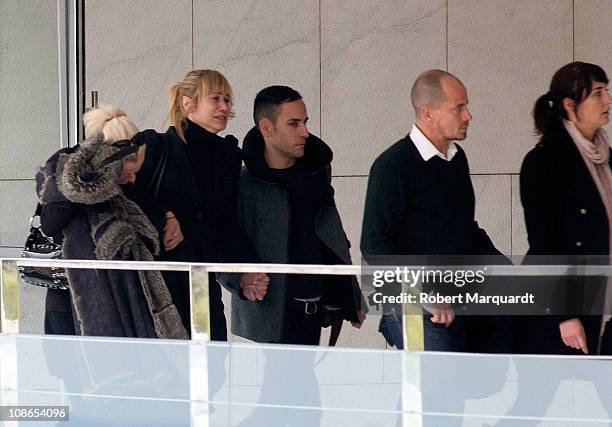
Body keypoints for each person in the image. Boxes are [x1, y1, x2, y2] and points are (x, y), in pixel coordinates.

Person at [361, 69, 511, 353]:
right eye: (459, 108)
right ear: (428, 113)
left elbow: (465, 229)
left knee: (454, 387)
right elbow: (374, 244)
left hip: (459, 299)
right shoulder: (393, 166)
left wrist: (508, 272)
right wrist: (423, 294)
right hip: (414, 306)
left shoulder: (456, 159)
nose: (468, 116)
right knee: (431, 384)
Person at [219, 85, 365, 345]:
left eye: (305, 122)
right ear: (267, 128)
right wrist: (240, 280)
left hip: (317, 313)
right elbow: (220, 243)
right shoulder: (241, 183)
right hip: (269, 317)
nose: (305, 132)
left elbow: (332, 235)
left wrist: (349, 293)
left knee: (305, 384)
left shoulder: (316, 172)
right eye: (293, 124)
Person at [37, 105, 187, 339]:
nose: (132, 178)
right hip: (69, 297)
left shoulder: (124, 186)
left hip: (120, 297)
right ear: (109, 159)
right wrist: (88, 180)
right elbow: (50, 224)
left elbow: (141, 216)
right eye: (128, 170)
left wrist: (168, 217)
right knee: (76, 369)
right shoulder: (67, 169)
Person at [135, 69, 262, 341]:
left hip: (201, 282)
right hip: (157, 280)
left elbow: (225, 222)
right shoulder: (155, 147)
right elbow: (127, 200)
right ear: (187, 103)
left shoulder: (228, 156)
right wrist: (164, 218)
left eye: (227, 100)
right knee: (165, 368)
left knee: (210, 365)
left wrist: (247, 267)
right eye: (215, 98)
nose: (225, 107)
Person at [518, 61, 612, 355]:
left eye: (606, 91)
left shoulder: (607, 157)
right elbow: (545, 243)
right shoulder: (544, 162)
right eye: (597, 93)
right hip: (563, 308)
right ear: (570, 104)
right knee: (539, 396)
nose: (607, 100)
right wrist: (564, 314)